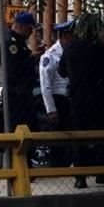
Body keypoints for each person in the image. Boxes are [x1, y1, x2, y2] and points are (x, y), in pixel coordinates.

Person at [58, 12, 104, 188]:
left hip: (77, 100)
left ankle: (80, 176)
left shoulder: (70, 48)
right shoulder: (100, 48)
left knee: (79, 137)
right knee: (103, 136)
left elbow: (61, 71)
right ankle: (103, 174)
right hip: (99, 99)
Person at [39, 19, 75, 169]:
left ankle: (69, 164)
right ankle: (57, 166)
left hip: (70, 99)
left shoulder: (72, 51)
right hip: (58, 99)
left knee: (72, 135)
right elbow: (45, 85)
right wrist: (51, 110)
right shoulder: (51, 56)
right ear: (65, 36)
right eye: (72, 35)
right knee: (58, 136)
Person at [3, 11, 45, 134]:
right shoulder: (11, 43)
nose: (32, 32)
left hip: (24, 92)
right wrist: (33, 58)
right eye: (30, 28)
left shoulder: (19, 42)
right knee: (21, 128)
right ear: (21, 26)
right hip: (16, 93)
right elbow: (14, 67)